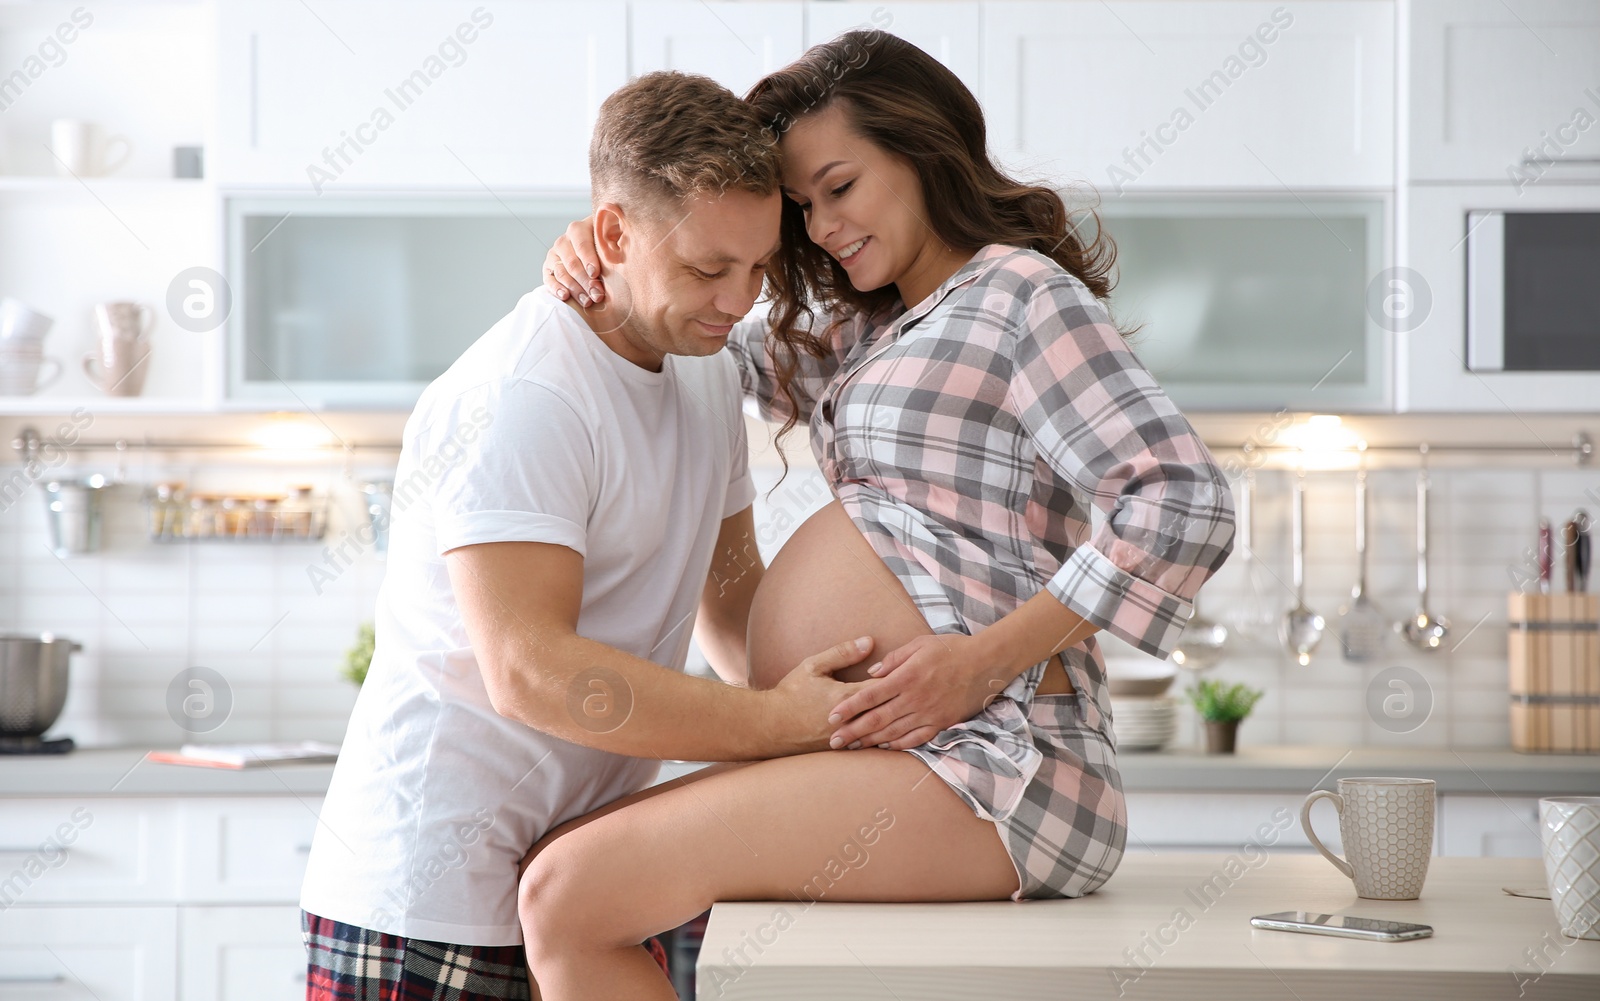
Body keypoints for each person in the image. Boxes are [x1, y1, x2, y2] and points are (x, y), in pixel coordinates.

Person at [526, 29, 1236, 1001]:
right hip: (902, 752)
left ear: (918, 148)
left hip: (1005, 765)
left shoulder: (1020, 296)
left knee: (573, 891)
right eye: (802, 206)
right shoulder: (867, 329)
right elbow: (692, 334)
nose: (819, 226)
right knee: (562, 862)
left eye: (839, 185)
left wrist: (978, 659)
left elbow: (1181, 501)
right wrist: (610, 243)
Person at [297, 71, 883, 1001]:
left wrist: (836, 729)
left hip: (583, 880)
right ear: (612, 233)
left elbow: (730, 603)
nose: (739, 301)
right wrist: (775, 724)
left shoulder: (700, 368)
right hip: (428, 896)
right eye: (705, 268)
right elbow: (531, 667)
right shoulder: (525, 396)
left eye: (758, 266)